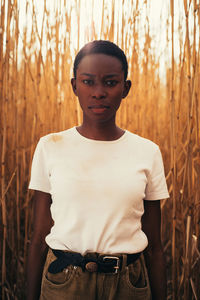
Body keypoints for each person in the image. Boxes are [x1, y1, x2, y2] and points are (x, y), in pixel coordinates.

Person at [27, 40, 169, 300]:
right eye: (88, 81)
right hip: (63, 285)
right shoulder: (50, 147)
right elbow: (39, 236)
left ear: (126, 88)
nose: (98, 92)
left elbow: (155, 247)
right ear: (74, 86)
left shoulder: (148, 152)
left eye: (111, 82)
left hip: (128, 286)